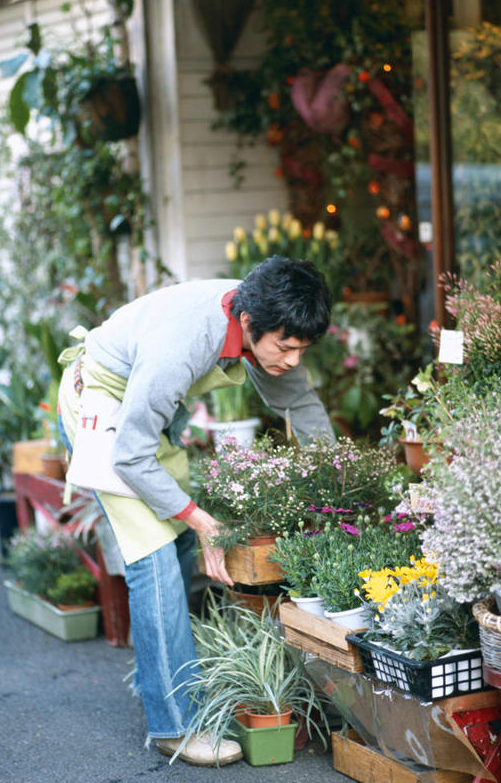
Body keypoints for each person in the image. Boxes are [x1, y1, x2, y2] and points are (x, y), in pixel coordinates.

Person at [56, 255, 334, 766]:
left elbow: (301, 406)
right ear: (248, 323)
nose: (293, 360)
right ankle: (175, 726)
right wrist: (204, 521)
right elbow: (131, 454)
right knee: (156, 558)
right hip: (103, 411)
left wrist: (334, 490)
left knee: (179, 540)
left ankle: (160, 680)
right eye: (286, 347)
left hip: (144, 418)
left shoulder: (261, 315)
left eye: (303, 349)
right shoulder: (183, 342)